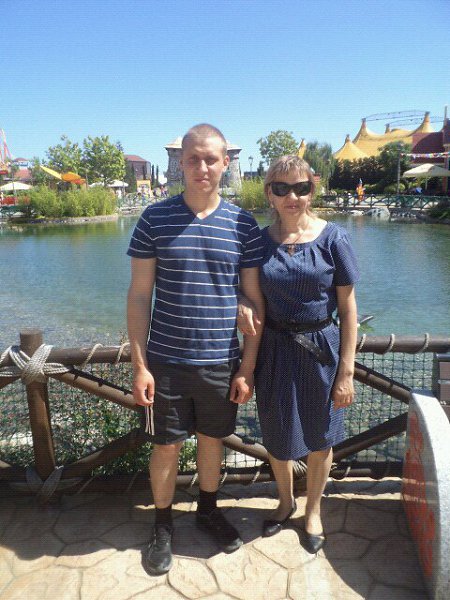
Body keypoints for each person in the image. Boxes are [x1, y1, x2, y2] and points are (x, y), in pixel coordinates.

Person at [126, 123, 265, 575]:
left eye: (210, 159)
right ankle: (162, 524)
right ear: (181, 163)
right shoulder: (154, 219)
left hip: (221, 361)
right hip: (165, 361)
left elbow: (253, 298)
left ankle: (207, 509)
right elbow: (139, 296)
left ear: (225, 162)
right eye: (193, 159)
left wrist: (246, 367)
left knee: (211, 441)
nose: (202, 167)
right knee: (166, 447)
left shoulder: (243, 224)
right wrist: (140, 366)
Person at [238, 155, 359, 553]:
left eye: (301, 188)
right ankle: (285, 501)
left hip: (321, 349)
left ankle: (313, 510)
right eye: (282, 188)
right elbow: (250, 295)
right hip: (273, 348)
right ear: (269, 193)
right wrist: (241, 304)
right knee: (277, 433)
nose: (292, 196)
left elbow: (348, 310)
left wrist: (346, 372)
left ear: (312, 190)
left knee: (321, 436)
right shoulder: (258, 242)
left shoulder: (334, 239)